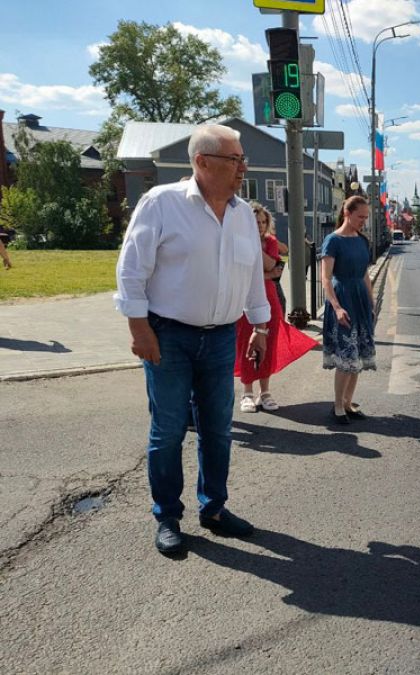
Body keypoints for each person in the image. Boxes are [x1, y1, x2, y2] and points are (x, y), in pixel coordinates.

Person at [115, 124, 269, 555]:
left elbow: (252, 272)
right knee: (167, 431)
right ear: (201, 162)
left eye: (243, 159)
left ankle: (214, 508)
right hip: (169, 337)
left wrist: (260, 325)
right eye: (234, 159)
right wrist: (138, 328)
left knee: (218, 430)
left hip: (221, 337)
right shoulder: (161, 204)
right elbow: (131, 270)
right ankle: (167, 516)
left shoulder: (241, 213)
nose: (242, 168)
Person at [235, 203, 317, 412]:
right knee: (246, 345)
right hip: (244, 301)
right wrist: (262, 270)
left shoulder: (270, 242)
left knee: (267, 345)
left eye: (263, 222)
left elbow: (272, 267)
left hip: (269, 300)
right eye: (256, 223)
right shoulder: (238, 241)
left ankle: (265, 392)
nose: (261, 226)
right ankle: (247, 393)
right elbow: (238, 271)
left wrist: (258, 263)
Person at [320, 196, 376, 424]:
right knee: (346, 355)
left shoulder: (362, 240)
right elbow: (325, 279)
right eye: (360, 216)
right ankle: (337, 406)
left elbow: (364, 274)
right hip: (342, 297)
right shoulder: (332, 240)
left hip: (360, 299)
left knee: (358, 357)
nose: (364, 221)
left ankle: (347, 402)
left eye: (366, 217)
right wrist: (337, 308)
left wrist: (371, 303)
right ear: (347, 213)